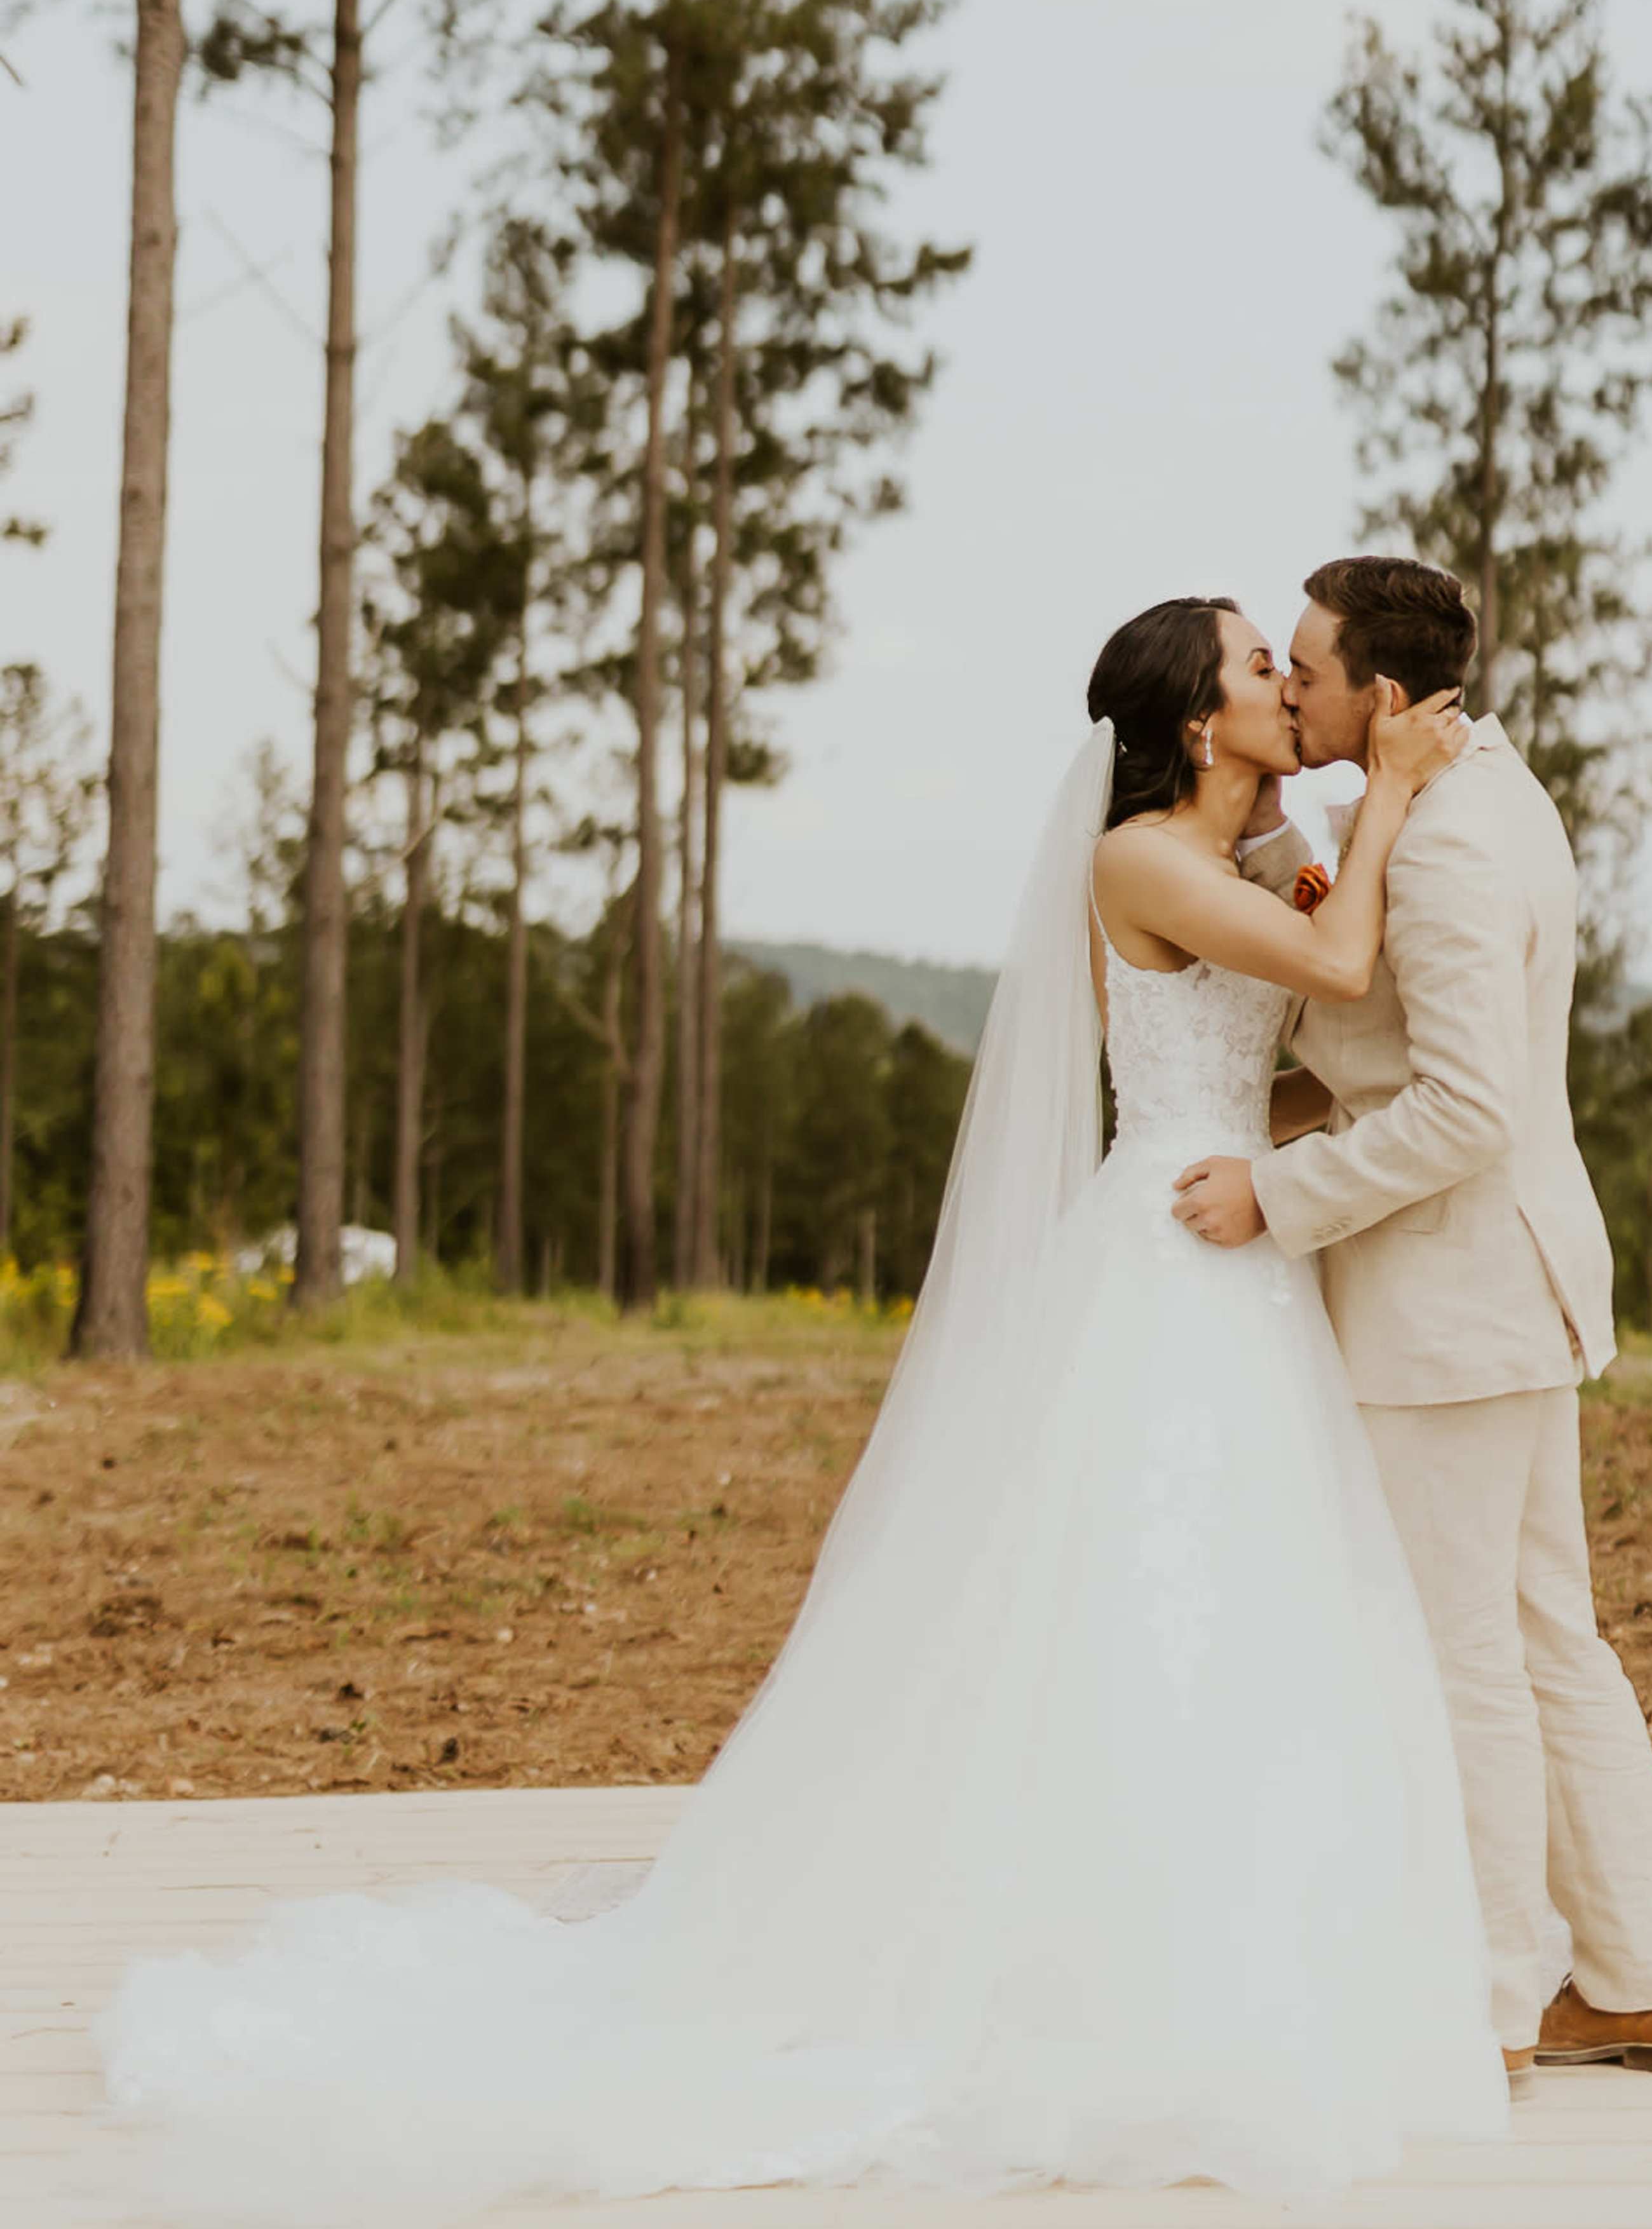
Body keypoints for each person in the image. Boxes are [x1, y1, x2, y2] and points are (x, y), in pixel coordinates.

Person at [97, 599, 1508, 2217]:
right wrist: (1385, 794)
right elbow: (1334, 964)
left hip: (1231, 1240)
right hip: (1163, 1263)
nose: (1283, 680)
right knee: (1114, 1595)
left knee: (1235, 1607)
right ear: (1196, 720)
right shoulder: (1136, 858)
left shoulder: (1239, 862)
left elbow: (1281, 1048)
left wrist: (1302, 1116)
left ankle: (1243, 1956)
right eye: (1259, 662)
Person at [1170, 553, 1652, 2077]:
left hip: (1451, 1299)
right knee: (1545, 1634)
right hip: (1506, 1288)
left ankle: (1483, 2002)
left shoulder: (1454, 846)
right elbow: (1396, 1051)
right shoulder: (1486, 792)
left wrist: (1279, 1195)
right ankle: (1637, 1970)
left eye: (1312, 671)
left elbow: (1465, 1106)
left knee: (1465, 1646)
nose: (1292, 689)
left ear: (1382, 698)